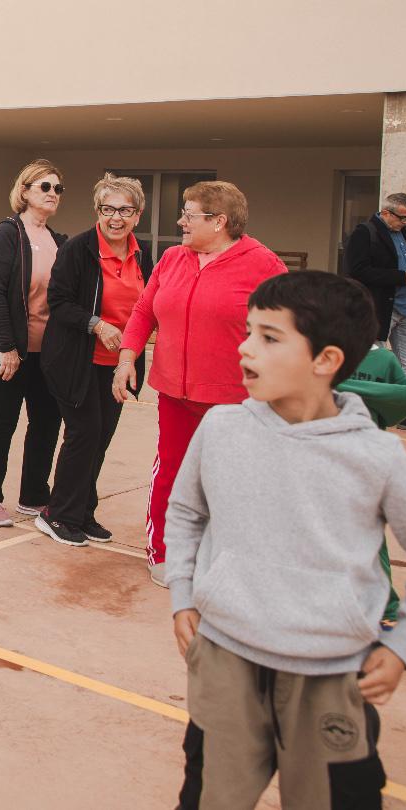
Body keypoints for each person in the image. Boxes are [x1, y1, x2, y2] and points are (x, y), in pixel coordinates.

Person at [165, 271, 406, 809]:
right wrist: (182, 591)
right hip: (224, 664)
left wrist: (404, 647)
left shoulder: (376, 456)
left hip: (331, 677)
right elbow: (185, 513)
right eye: (248, 331)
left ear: (326, 361)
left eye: (269, 337)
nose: (245, 347)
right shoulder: (222, 429)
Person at [114, 180, 288, 587]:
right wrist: (126, 358)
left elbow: (289, 326)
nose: (181, 222)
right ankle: (164, 554)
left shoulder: (263, 264)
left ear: (219, 221)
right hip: (175, 394)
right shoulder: (174, 258)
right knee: (171, 474)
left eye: (189, 215)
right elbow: (143, 312)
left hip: (237, 400)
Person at [34, 174, 153, 546]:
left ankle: (83, 511)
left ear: (138, 214)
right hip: (76, 360)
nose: (115, 218)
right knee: (83, 434)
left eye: (124, 210)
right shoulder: (79, 249)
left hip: (118, 364)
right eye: (108, 209)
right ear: (97, 211)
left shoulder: (141, 253)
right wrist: (96, 324)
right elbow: (59, 302)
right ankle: (57, 514)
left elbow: (147, 305)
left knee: (100, 437)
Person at [0, 161, 67, 527]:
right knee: (2, 419)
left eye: (58, 189)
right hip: (5, 347)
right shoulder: (7, 234)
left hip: (46, 350)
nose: (53, 194)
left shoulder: (58, 241)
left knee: (46, 421)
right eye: (45, 187)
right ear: (24, 191)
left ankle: (34, 496)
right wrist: (8, 348)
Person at [339, 343, 406, 630]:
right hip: (324, 455)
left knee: (371, 535)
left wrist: (348, 388)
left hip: (366, 460)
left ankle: (386, 604)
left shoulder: (384, 360)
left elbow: (404, 401)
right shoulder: (323, 349)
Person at [344, 192, 406, 433]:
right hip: (381, 309)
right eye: (402, 218)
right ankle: (365, 412)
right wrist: (401, 277)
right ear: (386, 213)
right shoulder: (365, 233)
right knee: (375, 363)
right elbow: (357, 271)